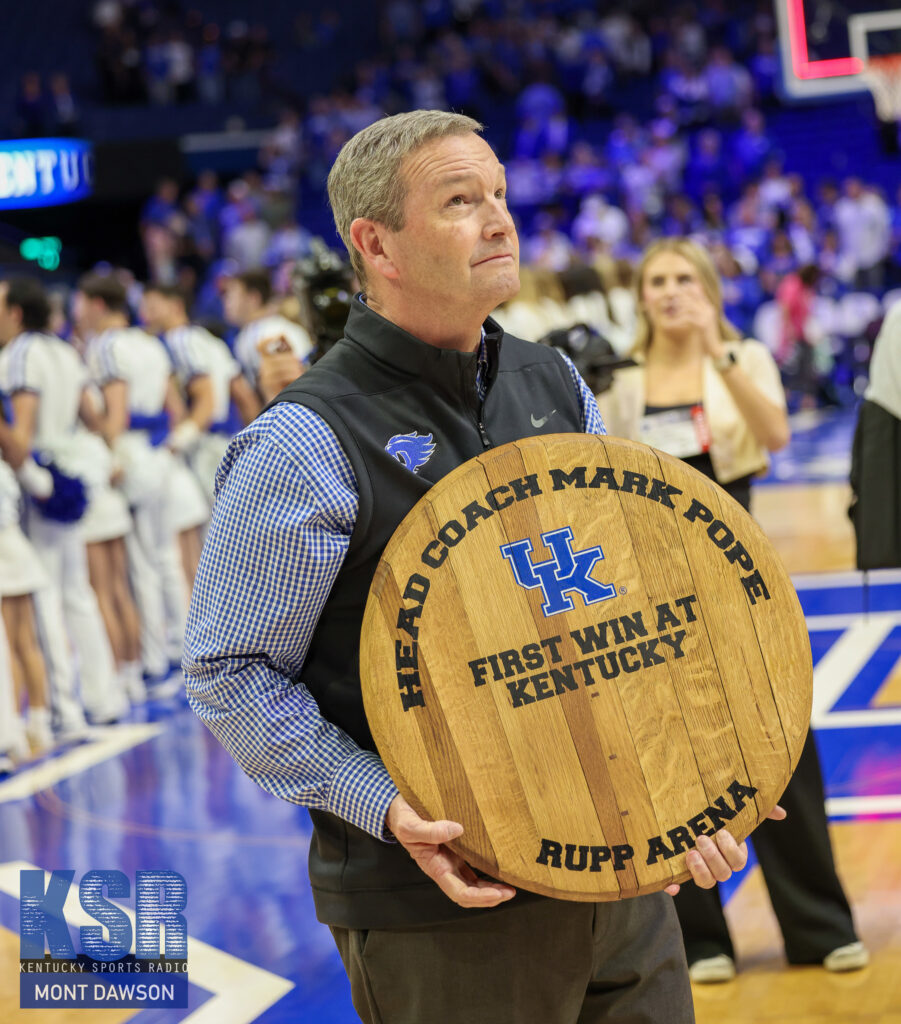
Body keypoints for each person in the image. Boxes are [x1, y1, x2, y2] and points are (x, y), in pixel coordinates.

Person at [185, 111, 774, 1024]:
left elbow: (620, 601)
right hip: (440, 908)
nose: (500, 219)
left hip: (614, 881)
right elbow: (229, 675)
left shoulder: (554, 382)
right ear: (375, 244)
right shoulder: (305, 439)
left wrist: (693, 776)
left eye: (497, 193)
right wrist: (383, 806)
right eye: (461, 201)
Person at [599, 237, 867, 983]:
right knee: (671, 756)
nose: (670, 291)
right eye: (656, 280)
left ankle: (818, 927)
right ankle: (700, 939)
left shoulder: (741, 355)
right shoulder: (618, 377)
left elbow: (776, 435)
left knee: (780, 746)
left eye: (684, 278)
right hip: (647, 584)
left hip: (736, 575)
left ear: (709, 289)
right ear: (640, 294)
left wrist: (715, 350)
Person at [0, 276, 125, 729]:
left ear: (15, 313)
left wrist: (37, 479)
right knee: (80, 595)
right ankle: (103, 696)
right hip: (70, 474)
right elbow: (93, 418)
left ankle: (62, 709)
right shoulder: (63, 350)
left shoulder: (19, 355)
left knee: (48, 597)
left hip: (42, 483)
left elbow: (22, 435)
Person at [140, 283, 260, 505]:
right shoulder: (207, 338)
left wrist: (182, 437)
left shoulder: (180, 340)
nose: (145, 314)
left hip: (203, 447)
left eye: (152, 306)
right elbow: (242, 393)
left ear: (175, 305)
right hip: (226, 443)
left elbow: (206, 395)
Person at [222, 268, 316, 401]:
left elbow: (288, 387)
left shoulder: (272, 331)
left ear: (253, 298)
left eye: (231, 295)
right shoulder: (250, 333)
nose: (226, 303)